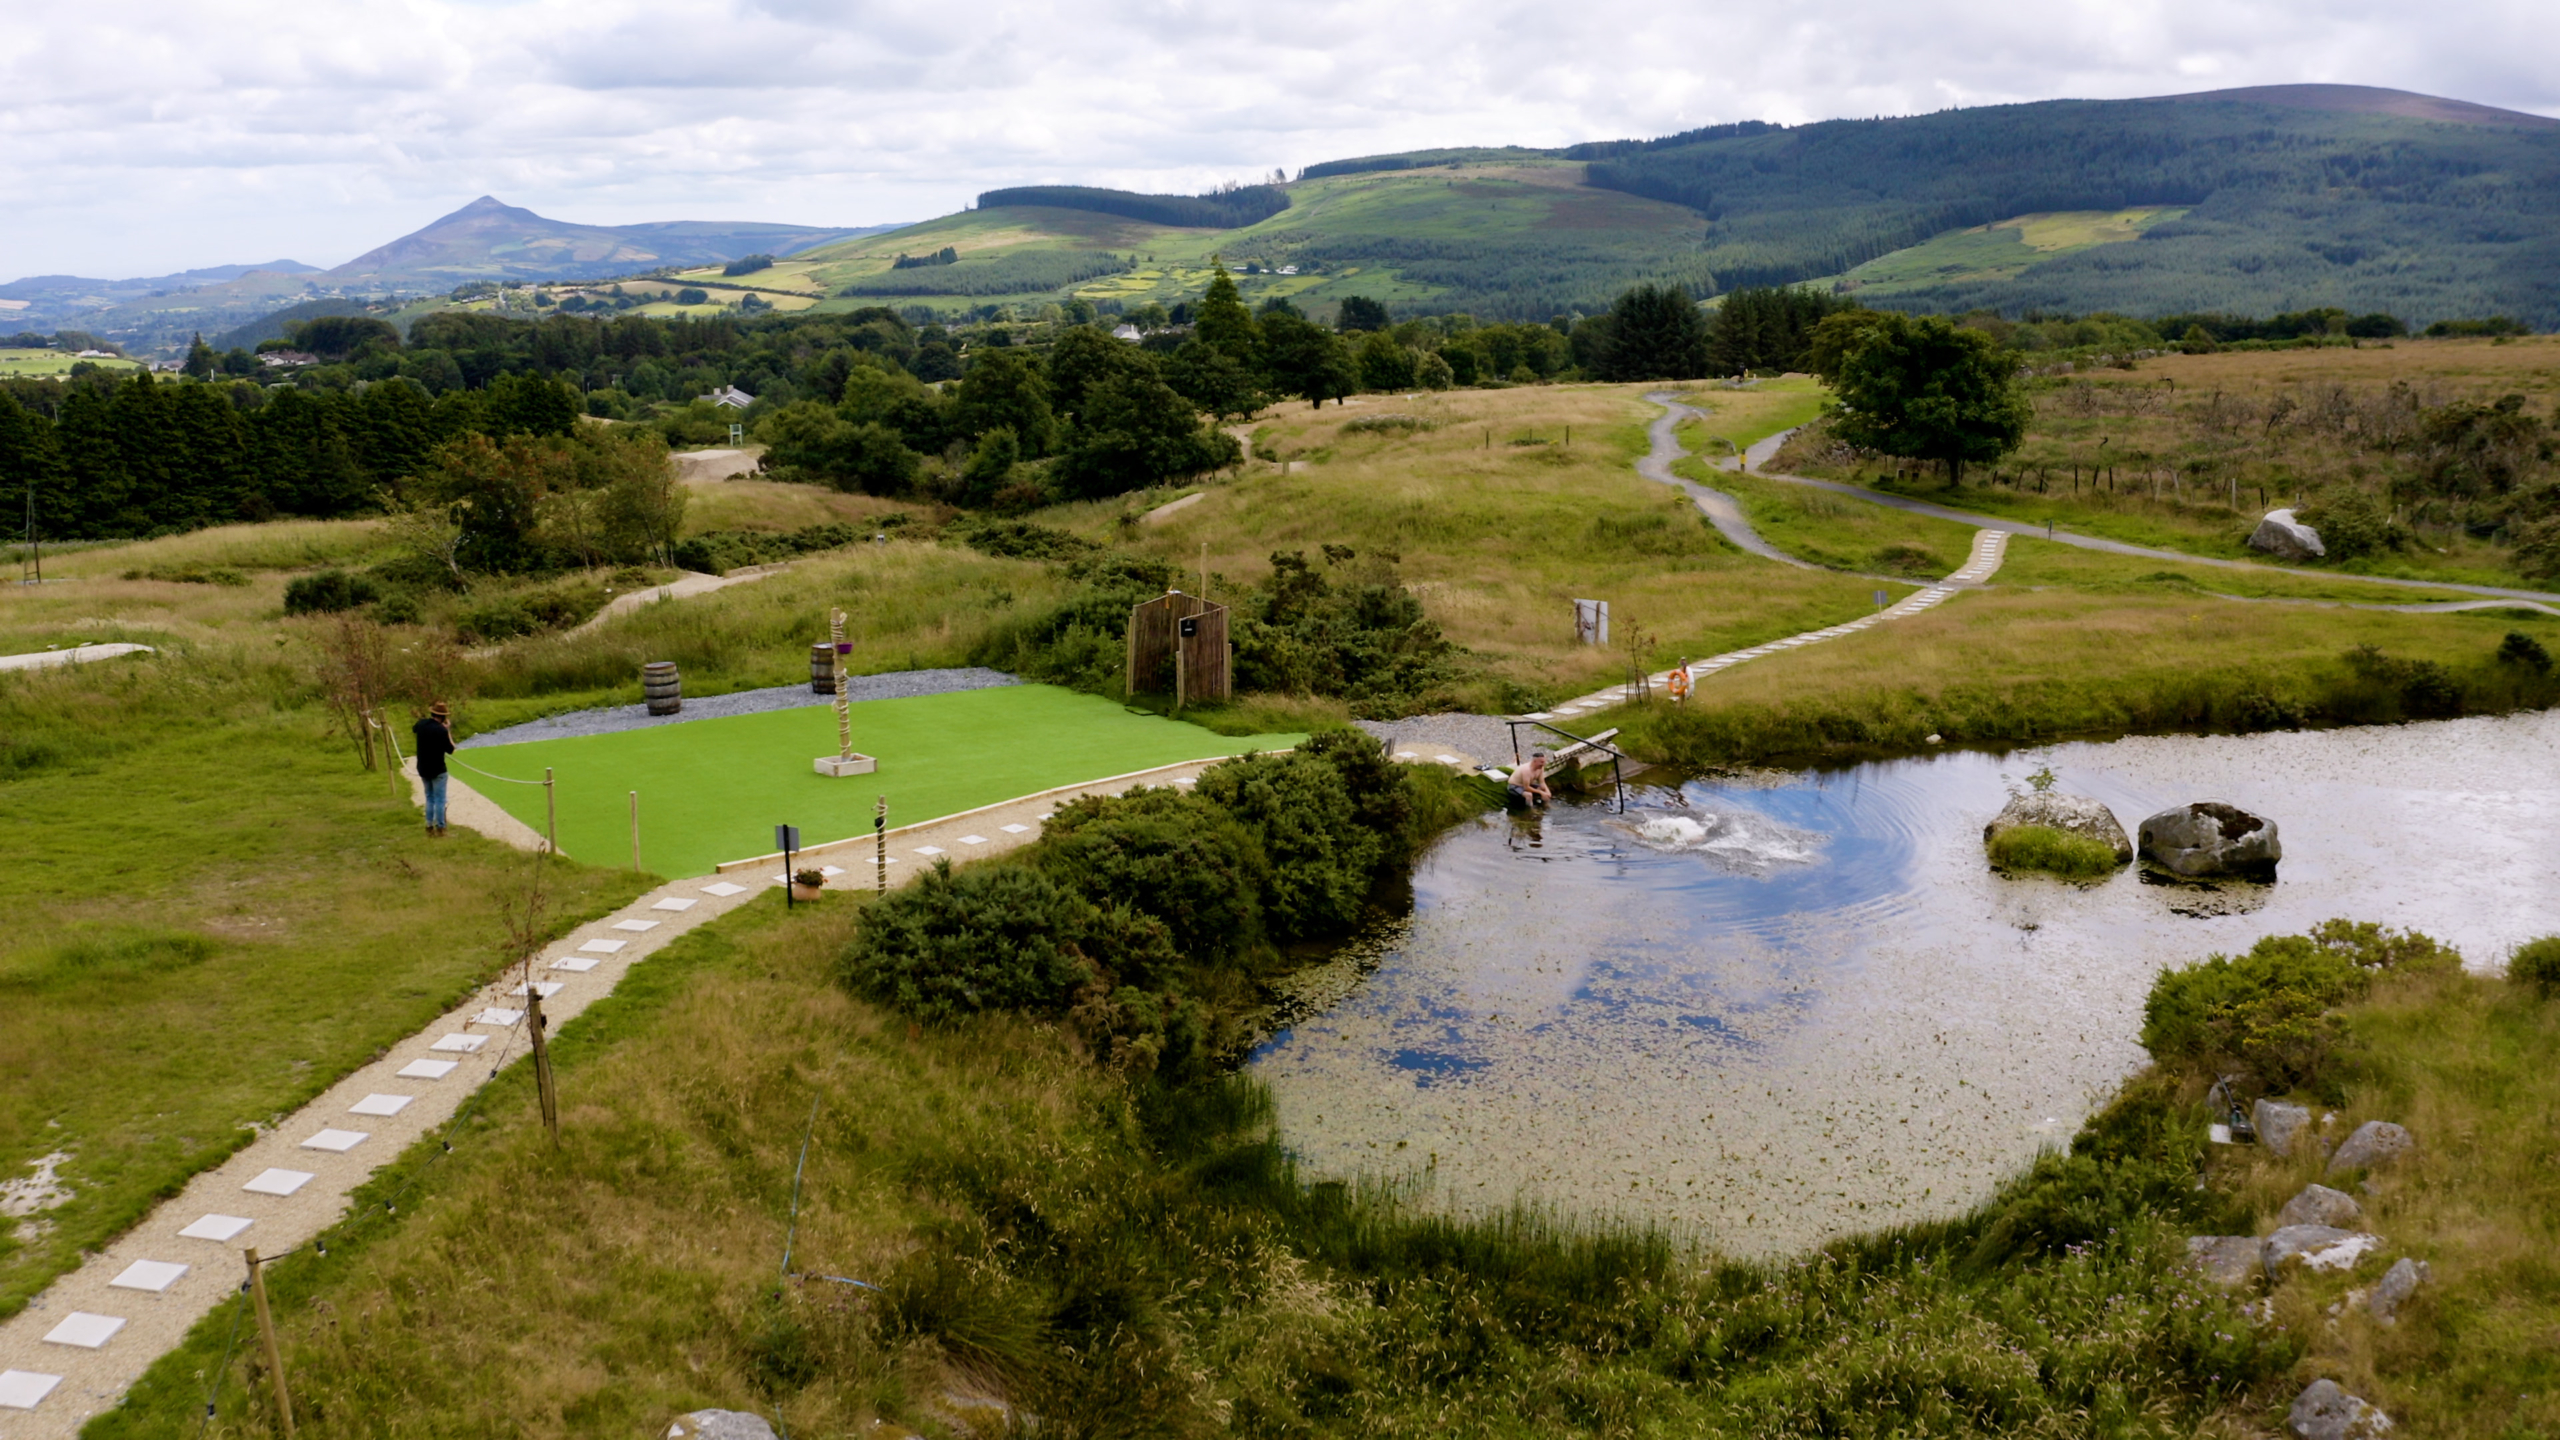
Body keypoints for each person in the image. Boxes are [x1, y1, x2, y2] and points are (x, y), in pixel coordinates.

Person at [413, 701, 456, 837]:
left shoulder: (421, 724)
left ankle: (429, 825)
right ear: (443, 717)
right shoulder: (441, 730)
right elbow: (451, 749)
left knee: (429, 797)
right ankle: (441, 827)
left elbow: (414, 729)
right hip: (438, 769)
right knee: (440, 799)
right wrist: (447, 730)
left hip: (423, 768)